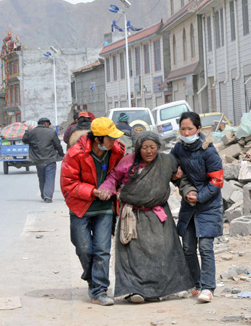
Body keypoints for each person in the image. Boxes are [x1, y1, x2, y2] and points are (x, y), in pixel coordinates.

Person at [97, 132, 195, 303]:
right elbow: (113, 178)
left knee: (164, 251)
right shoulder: (128, 161)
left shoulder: (167, 162)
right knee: (133, 255)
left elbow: (180, 180)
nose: (148, 151)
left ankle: (160, 289)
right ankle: (134, 290)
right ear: (138, 148)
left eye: (152, 147)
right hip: (133, 215)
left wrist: (188, 191)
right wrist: (106, 188)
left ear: (158, 147)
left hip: (158, 215)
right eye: (144, 148)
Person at [60, 117, 126, 306]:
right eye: (110, 138)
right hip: (81, 208)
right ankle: (92, 278)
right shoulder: (74, 155)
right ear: (98, 139)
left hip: (105, 209)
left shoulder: (117, 151)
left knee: (102, 250)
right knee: (84, 249)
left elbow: (120, 174)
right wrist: (93, 191)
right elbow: (68, 185)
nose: (114, 142)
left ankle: (99, 290)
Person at [171, 112, 224, 303]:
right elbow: (173, 171)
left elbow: (217, 181)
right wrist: (183, 187)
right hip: (188, 205)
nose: (186, 133)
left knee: (206, 247)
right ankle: (196, 283)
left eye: (190, 129)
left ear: (198, 129)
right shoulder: (178, 149)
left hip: (208, 205)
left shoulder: (208, 150)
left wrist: (199, 197)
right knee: (188, 247)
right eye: (183, 129)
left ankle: (208, 287)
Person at [22, 117, 64, 203]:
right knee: (50, 178)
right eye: (48, 124)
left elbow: (24, 140)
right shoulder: (51, 132)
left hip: (38, 159)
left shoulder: (32, 132)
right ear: (45, 123)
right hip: (50, 158)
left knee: (41, 178)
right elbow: (57, 145)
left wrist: (27, 131)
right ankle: (48, 196)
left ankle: (43, 195)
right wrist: (61, 154)